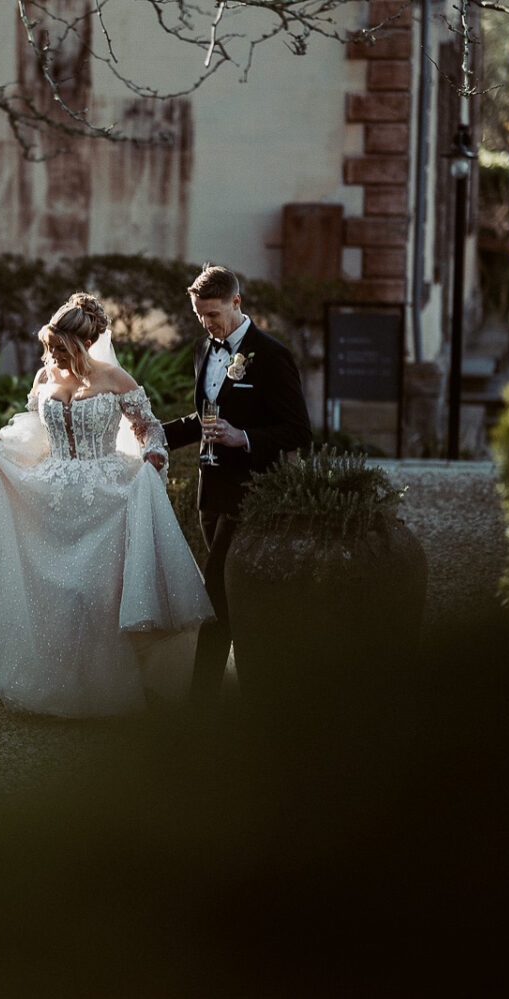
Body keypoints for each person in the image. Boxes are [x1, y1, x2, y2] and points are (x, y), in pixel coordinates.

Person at [0, 293, 213, 717]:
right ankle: (52, 686)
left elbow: (149, 429)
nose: (55, 356)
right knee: (53, 595)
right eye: (51, 347)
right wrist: (0, 440)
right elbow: (35, 429)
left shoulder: (116, 378)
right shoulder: (45, 377)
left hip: (106, 499)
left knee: (96, 595)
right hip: (51, 494)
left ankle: (105, 688)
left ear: (86, 343)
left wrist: (155, 453)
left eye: (62, 348)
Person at [161, 264, 312, 702]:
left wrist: (242, 437)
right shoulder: (202, 349)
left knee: (216, 595)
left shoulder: (272, 355)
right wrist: (155, 435)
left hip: (251, 493)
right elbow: (204, 417)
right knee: (232, 599)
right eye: (199, 315)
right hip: (210, 491)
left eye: (213, 314)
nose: (206, 324)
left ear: (236, 303)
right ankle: (258, 688)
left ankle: (202, 702)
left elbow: (298, 431)